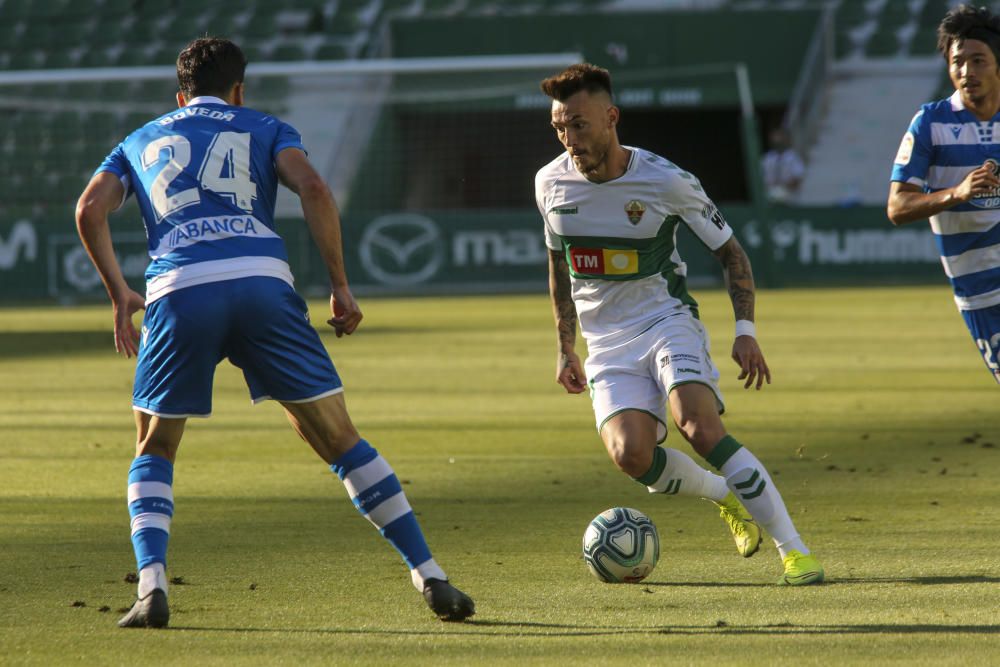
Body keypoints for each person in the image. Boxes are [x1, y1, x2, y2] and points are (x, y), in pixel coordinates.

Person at [74, 37, 474, 628]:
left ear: (179, 95)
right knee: (340, 438)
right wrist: (339, 284)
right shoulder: (263, 124)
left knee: (155, 444)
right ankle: (430, 574)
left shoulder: (140, 138)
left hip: (180, 289)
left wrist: (119, 296)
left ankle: (152, 588)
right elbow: (313, 188)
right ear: (239, 89)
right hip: (263, 284)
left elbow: (88, 210)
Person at [535, 63, 824, 586]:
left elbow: (732, 255)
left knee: (699, 425)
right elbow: (559, 267)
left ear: (611, 118)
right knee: (631, 455)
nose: (568, 138)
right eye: (559, 126)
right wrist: (564, 347)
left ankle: (795, 550)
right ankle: (723, 497)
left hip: (666, 318)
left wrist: (745, 331)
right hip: (606, 342)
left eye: (578, 124)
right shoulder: (550, 184)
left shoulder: (666, 181)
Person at [888, 4, 1000, 385]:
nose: (967, 72)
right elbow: (898, 207)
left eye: (978, 60)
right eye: (957, 62)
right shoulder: (931, 123)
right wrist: (957, 192)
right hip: (982, 293)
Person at [760, 127, 805, 204]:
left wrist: (783, 187)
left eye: (779, 138)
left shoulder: (792, 157)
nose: (777, 141)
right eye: (775, 139)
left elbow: (798, 177)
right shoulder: (767, 158)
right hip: (770, 196)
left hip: (789, 197)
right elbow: (760, 177)